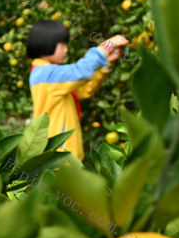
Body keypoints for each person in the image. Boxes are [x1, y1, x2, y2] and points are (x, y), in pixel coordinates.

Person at [27, 20, 128, 161]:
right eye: (62, 44)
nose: (66, 49)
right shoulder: (45, 74)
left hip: (66, 157)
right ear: (46, 43)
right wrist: (105, 47)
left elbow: (84, 90)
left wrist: (106, 65)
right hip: (57, 158)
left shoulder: (51, 75)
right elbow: (81, 71)